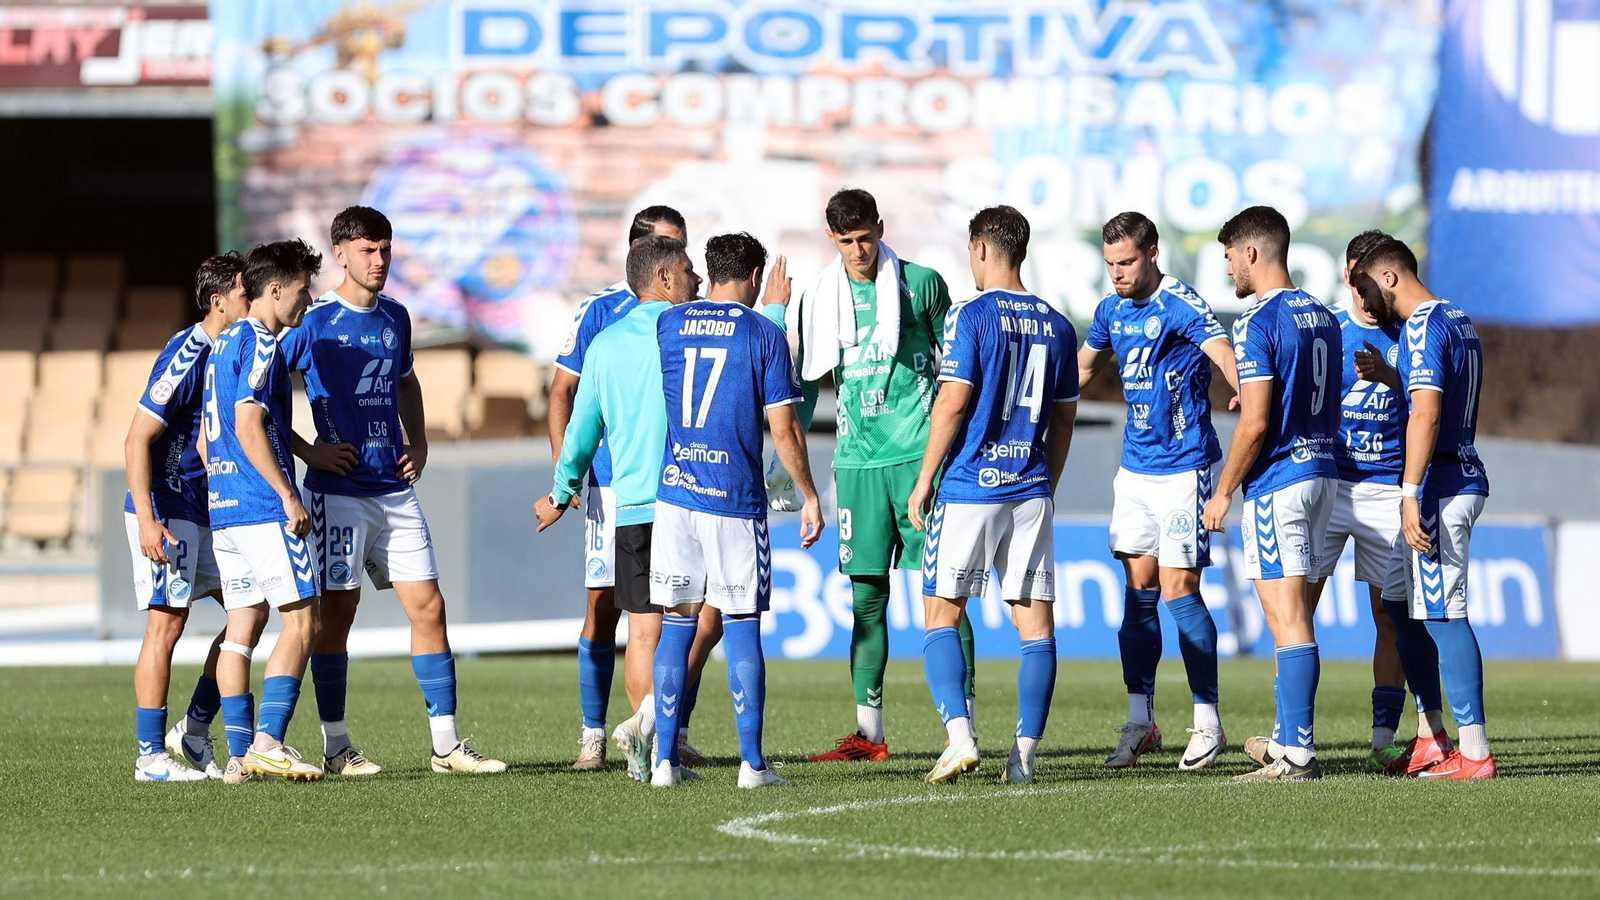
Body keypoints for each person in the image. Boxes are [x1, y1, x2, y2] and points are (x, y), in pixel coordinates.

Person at [282, 206, 504, 776]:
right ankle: (335, 747)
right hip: (338, 493)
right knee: (339, 614)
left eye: (384, 250)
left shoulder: (396, 318)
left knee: (430, 606)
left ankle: (447, 746)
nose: (378, 261)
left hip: (393, 488)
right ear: (340, 253)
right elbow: (257, 402)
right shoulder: (312, 322)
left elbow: (407, 381)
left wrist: (421, 442)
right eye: (366, 251)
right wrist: (310, 451)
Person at [763, 188, 976, 764]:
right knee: (865, 600)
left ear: (881, 227)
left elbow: (957, 365)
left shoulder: (922, 283)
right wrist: (792, 476)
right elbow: (802, 387)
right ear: (831, 239)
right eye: (846, 241)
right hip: (856, 465)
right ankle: (869, 735)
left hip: (917, 461)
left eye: (866, 237)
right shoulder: (815, 298)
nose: (859, 251)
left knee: (945, 595)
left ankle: (964, 729)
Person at [648, 232, 824, 788]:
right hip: (732, 498)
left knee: (677, 623)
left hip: (675, 495)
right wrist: (810, 495)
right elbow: (784, 425)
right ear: (753, 277)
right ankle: (751, 765)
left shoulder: (669, 324)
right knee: (742, 621)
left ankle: (663, 763)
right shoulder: (764, 334)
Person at [909, 205, 1078, 785]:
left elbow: (953, 400)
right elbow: (1065, 420)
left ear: (981, 249)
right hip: (1030, 490)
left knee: (940, 614)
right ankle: (1024, 759)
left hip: (970, 485)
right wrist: (1046, 484)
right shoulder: (1058, 325)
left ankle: (959, 738)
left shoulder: (971, 315)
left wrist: (925, 477)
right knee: (1036, 628)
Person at [548, 206, 716, 771]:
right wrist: (569, 483)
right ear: (657, 265)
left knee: (660, 625)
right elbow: (562, 395)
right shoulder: (613, 316)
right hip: (653, 492)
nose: (694, 274)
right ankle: (604, 732)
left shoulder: (623, 338)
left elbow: (583, 420)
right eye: (684, 260)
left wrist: (558, 483)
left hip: (641, 497)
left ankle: (659, 732)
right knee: (622, 613)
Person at [1077, 211, 1239, 772]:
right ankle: (1141, 721)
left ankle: (1208, 723)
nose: (1117, 273)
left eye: (1126, 262)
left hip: (1184, 466)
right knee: (1138, 589)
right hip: (1136, 470)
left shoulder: (1181, 301)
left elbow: (1220, 349)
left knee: (1178, 589)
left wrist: (1243, 389)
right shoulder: (1109, 309)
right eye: (1109, 264)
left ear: (1151, 254)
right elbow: (1081, 371)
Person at [1200, 206, 1341, 782]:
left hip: (1280, 480)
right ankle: (1286, 739)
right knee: (1297, 612)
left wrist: (1222, 490)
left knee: (1286, 619)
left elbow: (1256, 424)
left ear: (1252, 253)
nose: (1229, 266)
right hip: (1323, 471)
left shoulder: (1256, 319)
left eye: (1230, 255)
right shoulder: (1323, 314)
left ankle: (1297, 754)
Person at [1350, 237, 1495, 779]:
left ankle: (1475, 752)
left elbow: (1428, 416)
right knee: (1401, 602)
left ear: (1389, 278)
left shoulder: (1423, 326)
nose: (1366, 301)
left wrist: (1409, 493)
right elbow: (1435, 394)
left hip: (1441, 486)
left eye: (1366, 287)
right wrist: (1392, 377)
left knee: (1443, 614)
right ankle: (1432, 737)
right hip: (1450, 479)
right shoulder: (1457, 320)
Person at [1306, 229, 1444, 775]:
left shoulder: (1410, 331)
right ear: (1347, 274)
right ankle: (1291, 735)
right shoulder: (1326, 329)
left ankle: (1384, 736)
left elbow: (1426, 403)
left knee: (1391, 614)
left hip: (1389, 486)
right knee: (1296, 606)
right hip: (1331, 483)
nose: (1362, 285)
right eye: (1354, 273)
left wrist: (1390, 377)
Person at [202, 239, 327, 783]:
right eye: (302, 290)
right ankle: (270, 741)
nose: (306, 301)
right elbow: (250, 422)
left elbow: (216, 438)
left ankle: (237, 756)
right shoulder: (260, 341)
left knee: (239, 628)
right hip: (260, 506)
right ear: (275, 289)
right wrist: (287, 494)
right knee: (303, 620)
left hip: (224, 508)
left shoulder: (221, 343)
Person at [126, 252, 250, 782]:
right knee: (167, 624)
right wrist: (150, 520)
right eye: (246, 291)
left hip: (204, 509)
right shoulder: (187, 351)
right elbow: (136, 438)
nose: (253, 298)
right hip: (168, 509)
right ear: (219, 300)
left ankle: (194, 728)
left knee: (251, 608)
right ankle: (150, 756)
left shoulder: (234, 350)